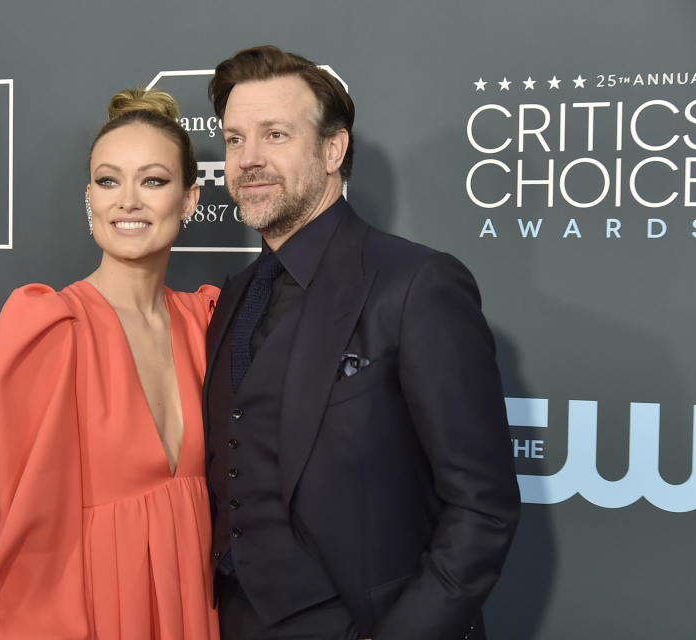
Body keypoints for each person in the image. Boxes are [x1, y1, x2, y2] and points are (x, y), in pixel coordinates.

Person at [203, 45, 520, 640]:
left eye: (274, 135)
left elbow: (482, 507)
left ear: (333, 149)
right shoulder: (235, 298)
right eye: (234, 139)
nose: (248, 159)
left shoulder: (417, 284)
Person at [0, 89, 220, 640]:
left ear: (191, 199)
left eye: (153, 180)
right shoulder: (53, 331)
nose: (127, 201)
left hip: (197, 606)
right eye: (108, 180)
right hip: (95, 613)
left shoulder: (207, 325)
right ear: (89, 196)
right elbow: (22, 527)